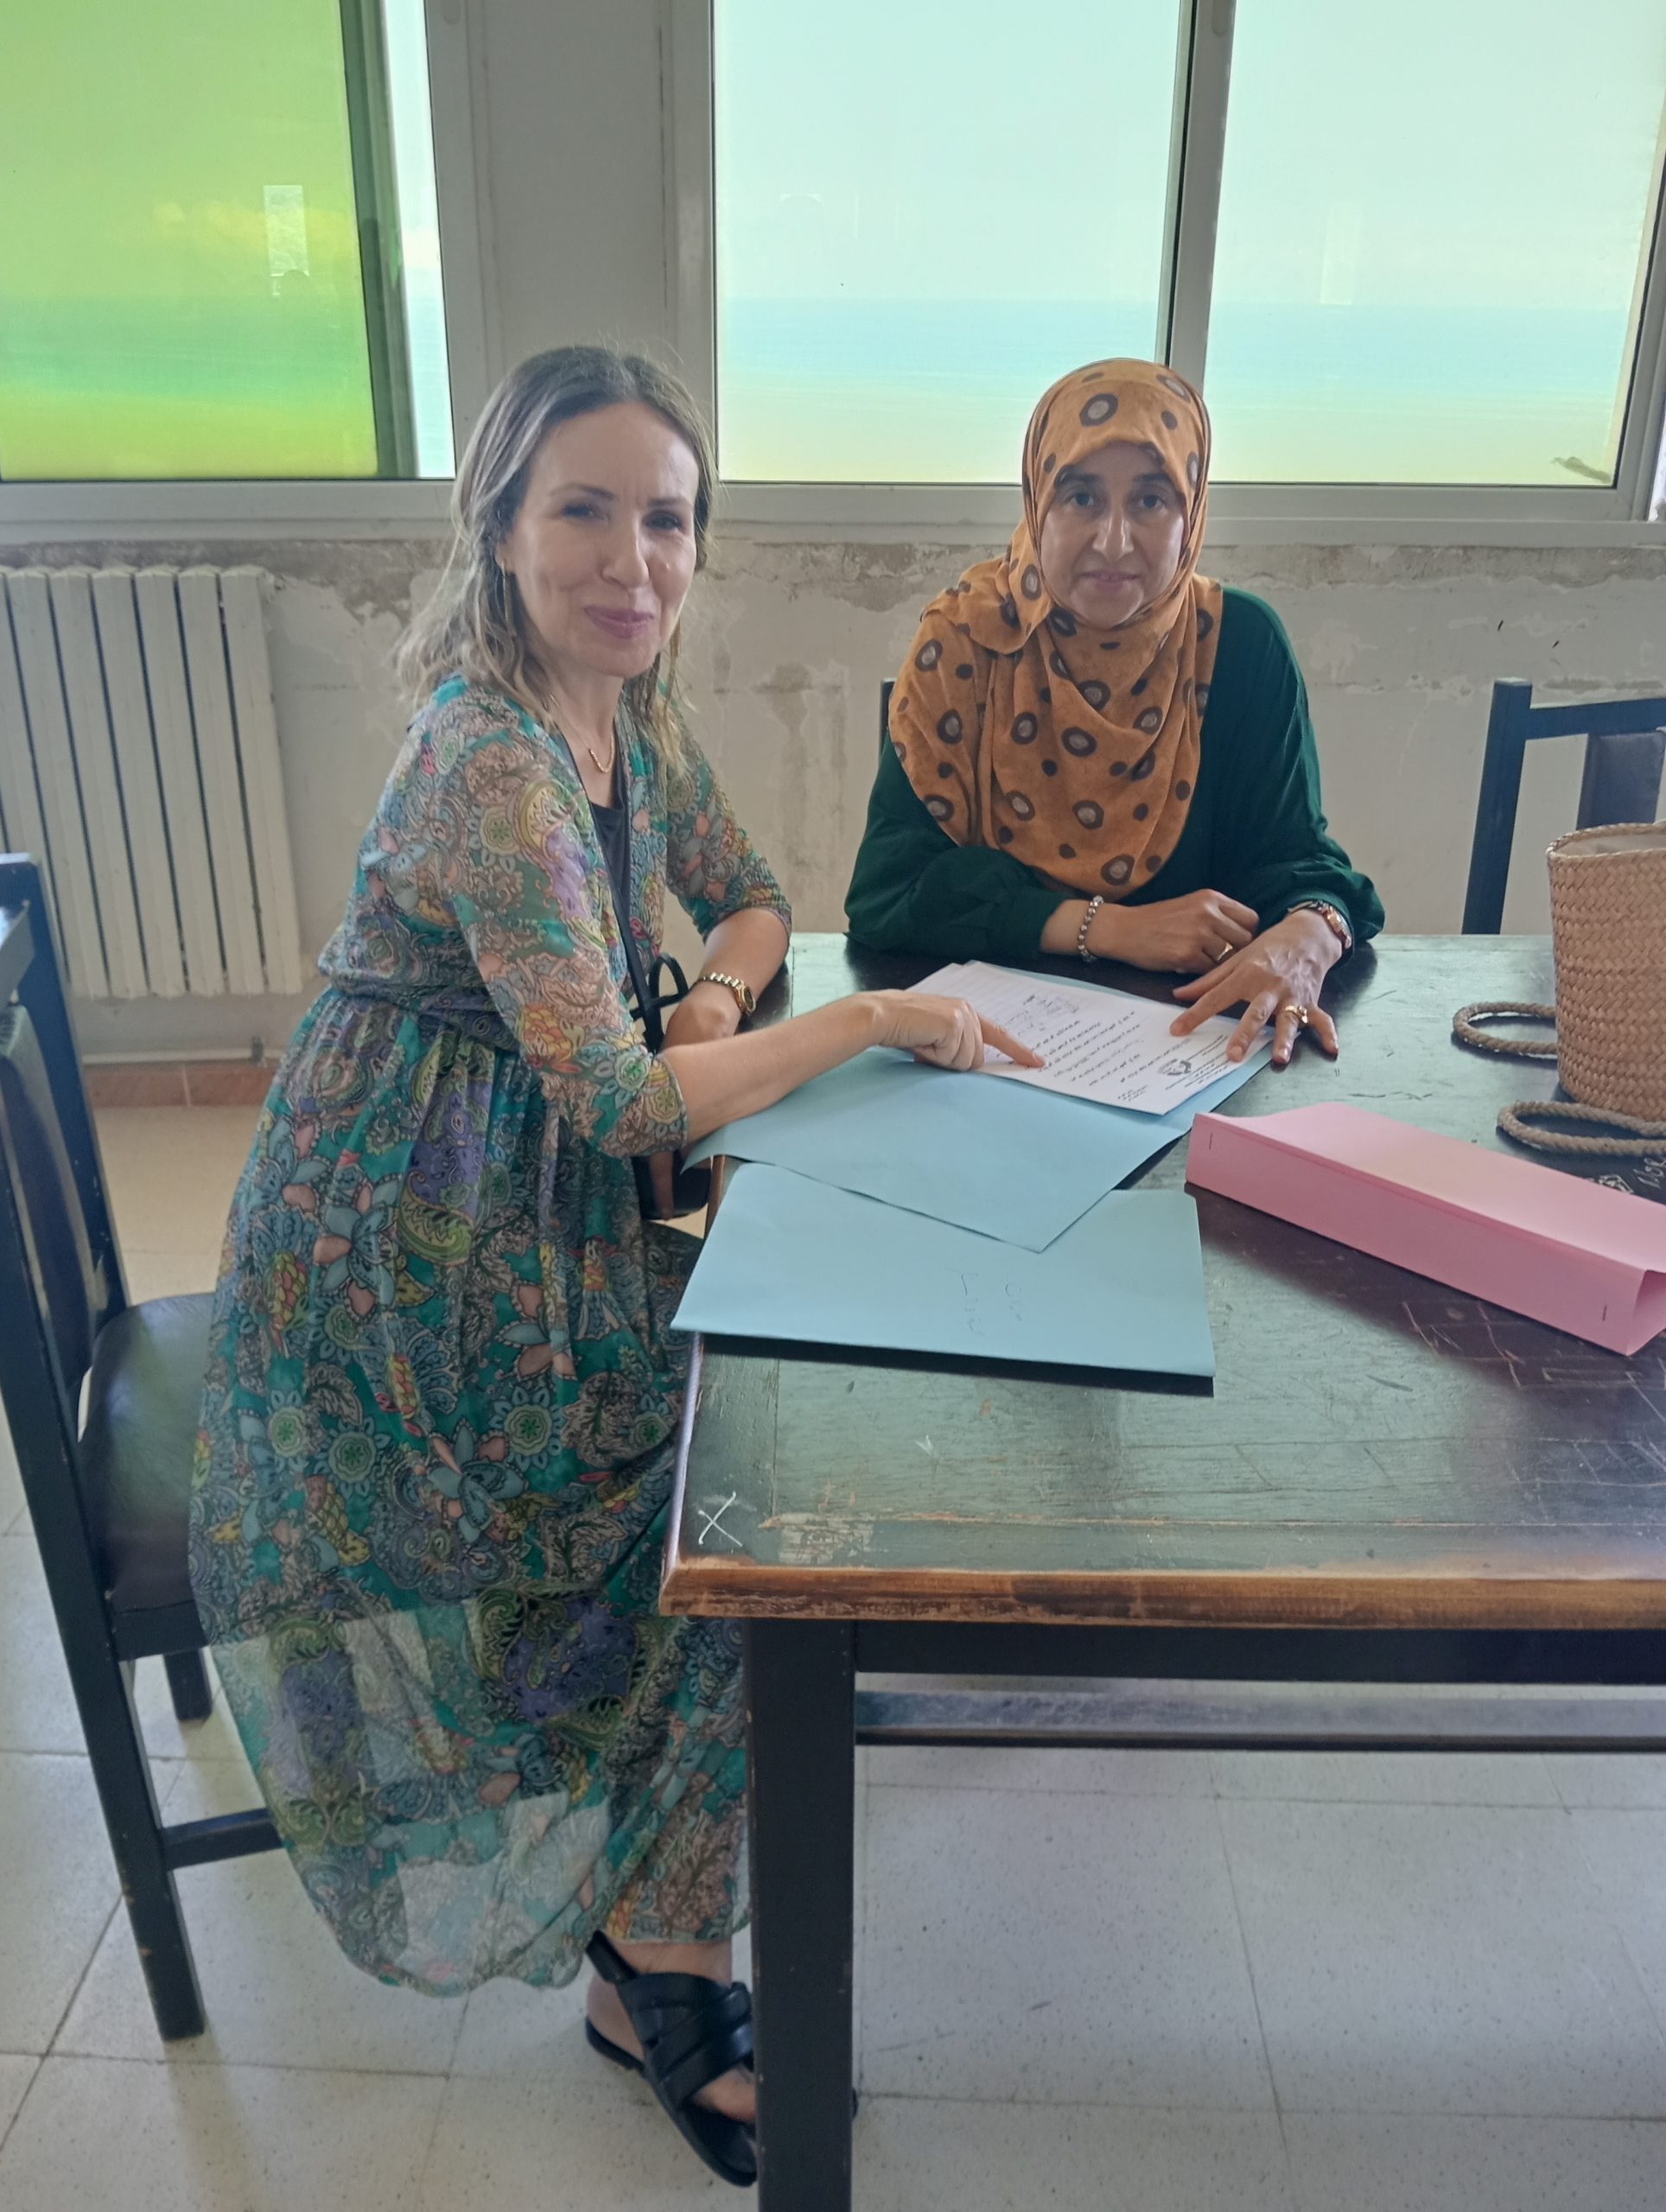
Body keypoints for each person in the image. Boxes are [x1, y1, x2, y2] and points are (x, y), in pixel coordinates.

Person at [188, 345, 1033, 2188]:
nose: (631, 561)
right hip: (396, 1252)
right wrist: (864, 1017)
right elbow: (621, 1097)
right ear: (498, 524)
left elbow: (752, 891)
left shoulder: (621, 709)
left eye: (667, 519)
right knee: (741, 1489)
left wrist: (727, 990)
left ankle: (657, 1870)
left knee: (766, 1409)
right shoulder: (489, 759)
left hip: (531, 1188)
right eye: (583, 509)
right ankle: (656, 1957)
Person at [846, 359, 1382, 1066]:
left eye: (1151, 500)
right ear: (1038, 501)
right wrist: (1109, 929)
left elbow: (1297, 860)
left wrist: (1311, 934)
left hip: (1189, 1059)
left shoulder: (1239, 645)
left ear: (1192, 513)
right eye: (1082, 497)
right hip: (974, 1056)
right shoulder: (967, 643)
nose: (1114, 541)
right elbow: (889, 895)